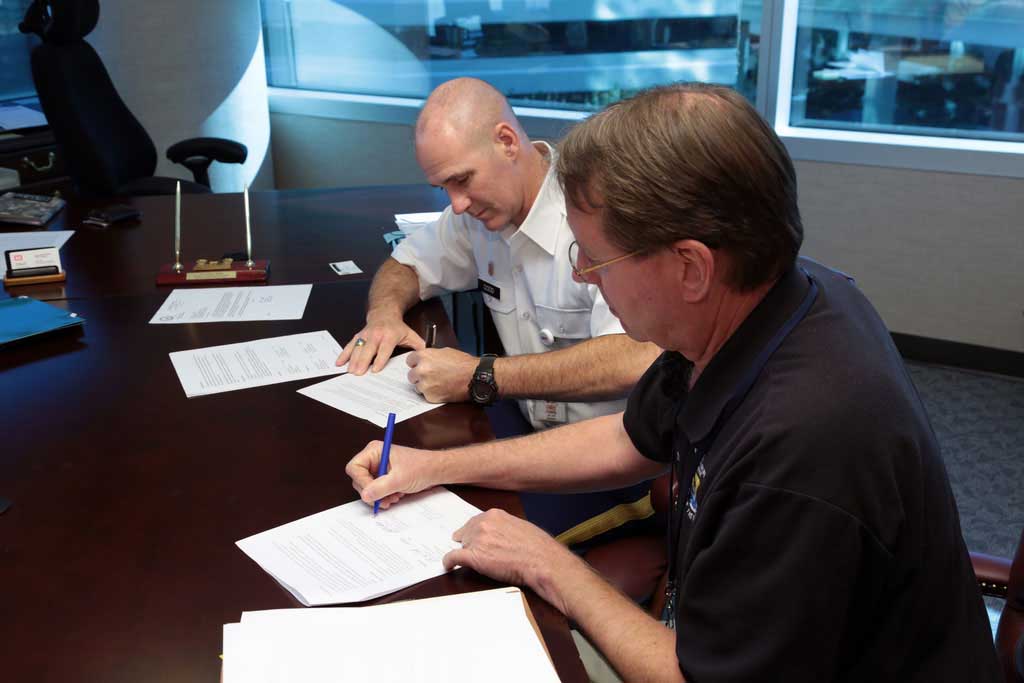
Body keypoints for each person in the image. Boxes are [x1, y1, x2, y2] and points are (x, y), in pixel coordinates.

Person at [346, 83, 1000, 681]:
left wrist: (547, 562)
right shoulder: (764, 304)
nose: (583, 278)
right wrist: (434, 466)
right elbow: (627, 440)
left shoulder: (803, 444)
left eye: (596, 259)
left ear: (690, 268)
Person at [337, 77, 661, 548]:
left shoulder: (595, 216)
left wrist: (483, 376)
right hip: (529, 433)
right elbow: (405, 262)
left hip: (614, 464)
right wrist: (384, 314)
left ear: (507, 141)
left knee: (444, 546)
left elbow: (637, 357)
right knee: (400, 508)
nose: (456, 203)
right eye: (444, 185)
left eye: (462, 180)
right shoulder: (479, 215)